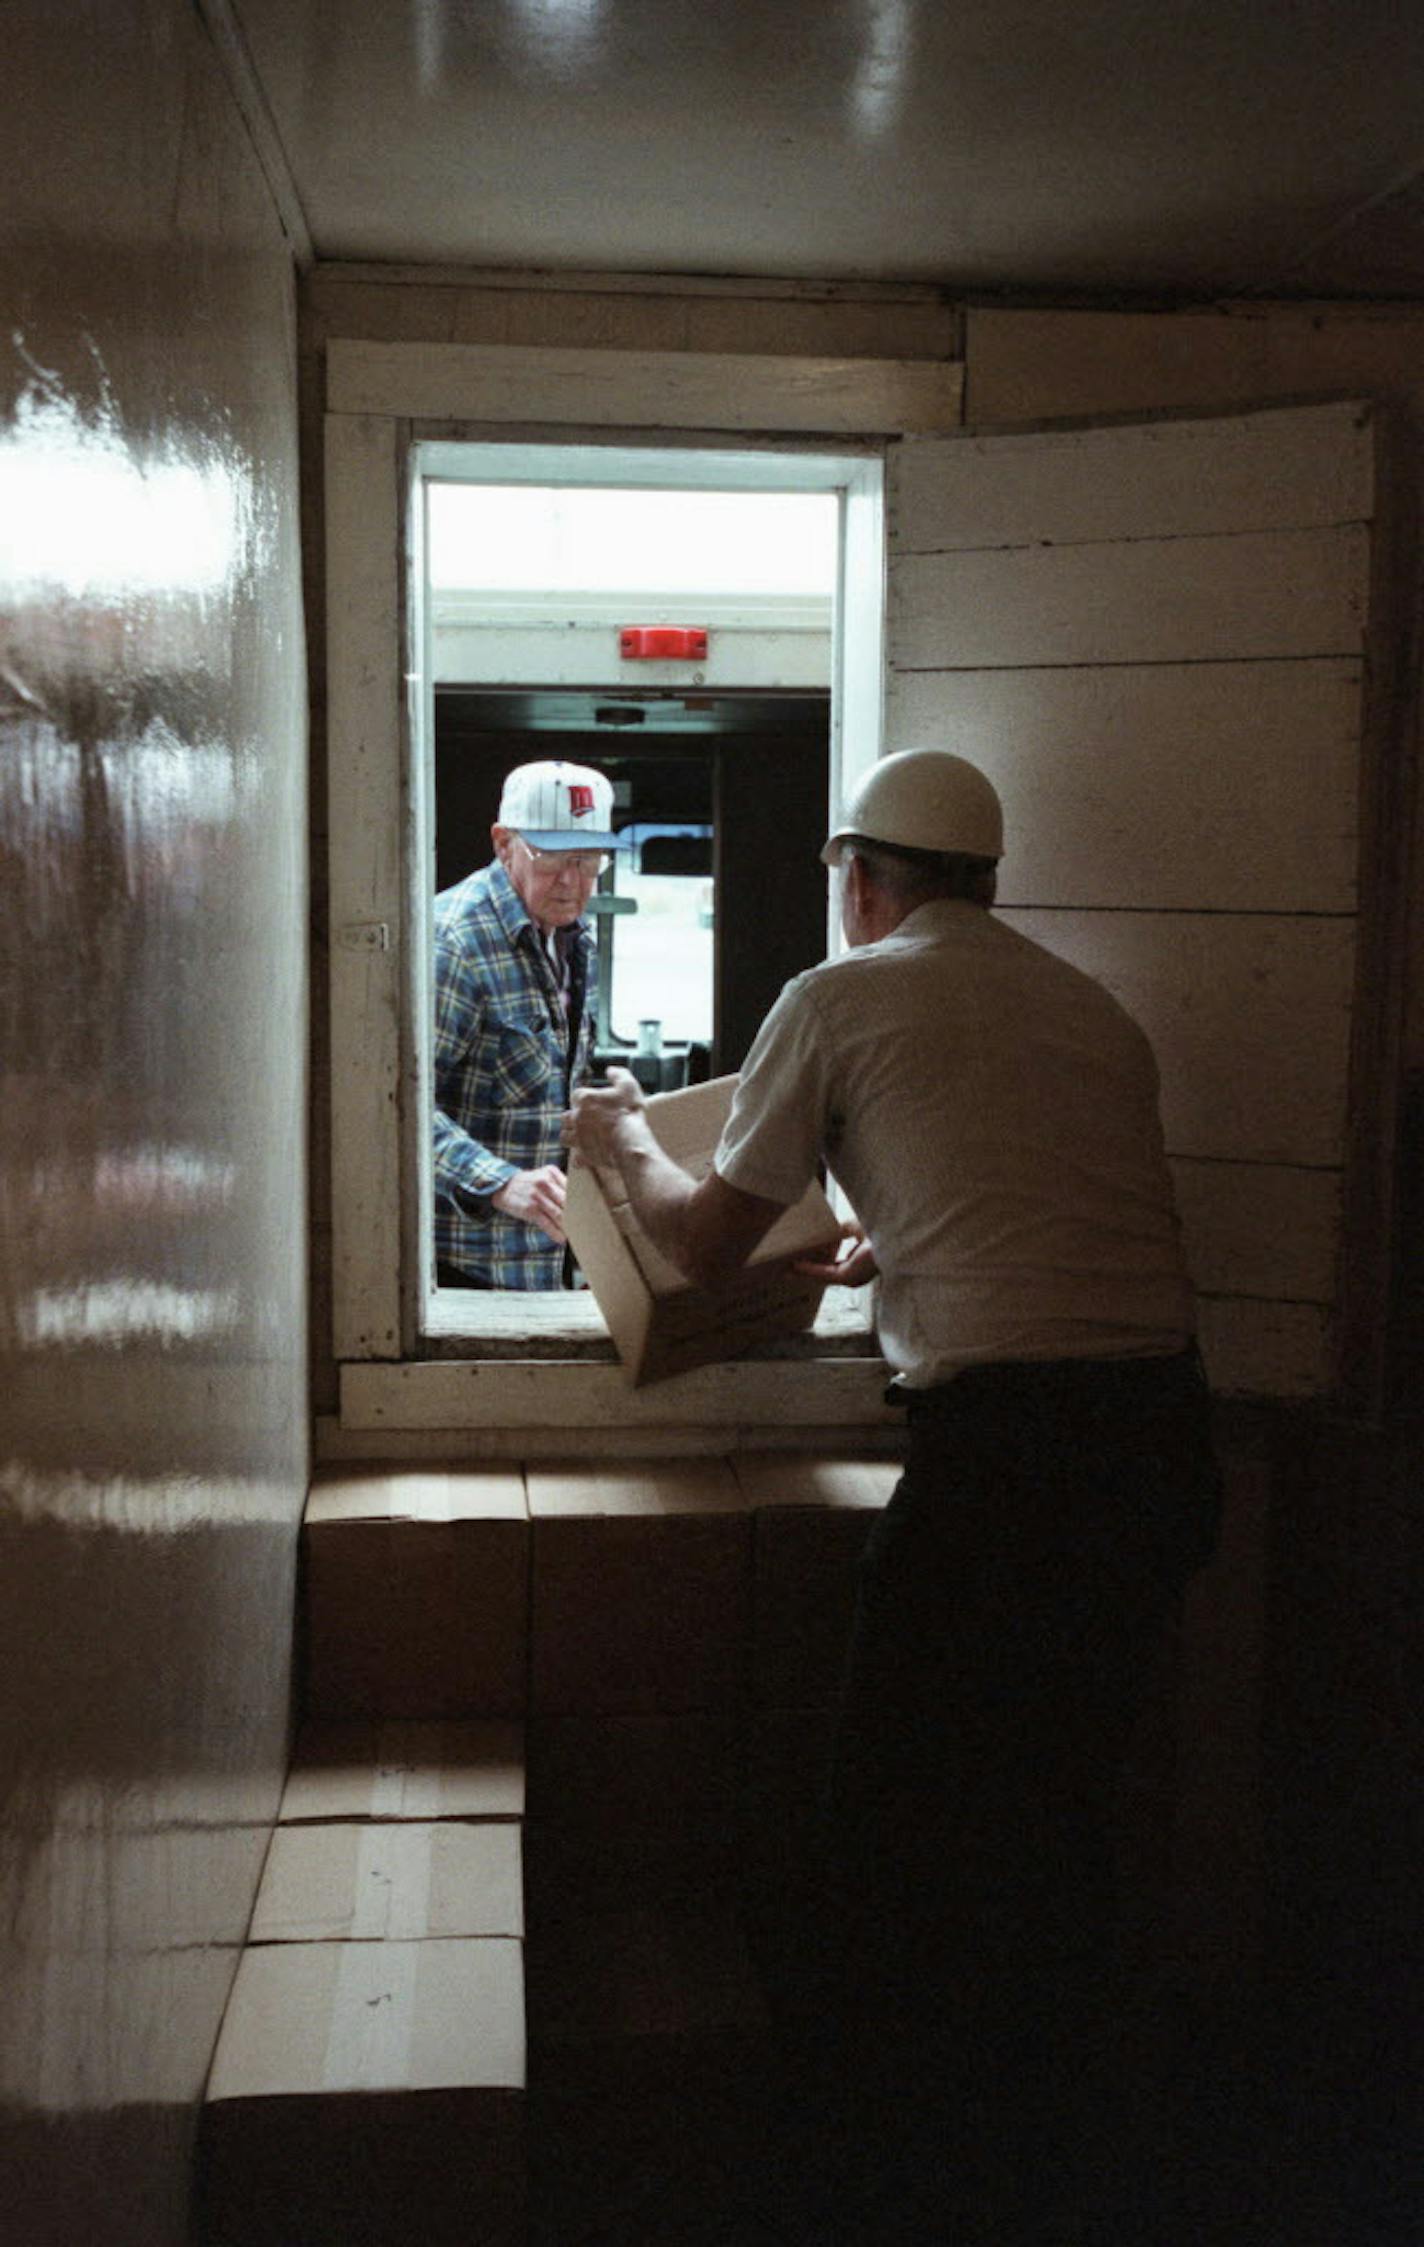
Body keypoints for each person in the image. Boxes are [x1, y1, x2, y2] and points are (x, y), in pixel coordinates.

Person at [565, 746, 1222, 2237]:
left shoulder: (839, 994)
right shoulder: (1089, 1008)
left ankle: (884, 2165)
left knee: (897, 1818)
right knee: (1054, 1807)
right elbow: (1031, 1204)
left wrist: (614, 1141)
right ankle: (1051, 2144)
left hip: (1015, 1465)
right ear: (983, 883)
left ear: (859, 878)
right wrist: (892, 1239)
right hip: (1161, 1441)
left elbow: (707, 1247)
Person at [434, 757, 619, 1289]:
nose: (571, 882)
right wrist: (499, 1183)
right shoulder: (455, 943)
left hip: (547, 1267)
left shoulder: (577, 940)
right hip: (463, 1273)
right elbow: (391, 1107)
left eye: (588, 861)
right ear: (502, 842)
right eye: (551, 857)